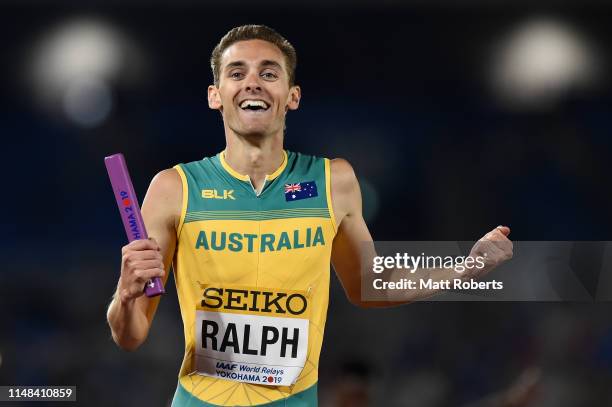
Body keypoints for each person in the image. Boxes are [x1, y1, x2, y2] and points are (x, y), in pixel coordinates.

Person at [106, 25, 513, 406]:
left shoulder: (333, 180)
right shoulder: (175, 188)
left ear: (292, 95)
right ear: (216, 94)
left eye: (268, 73)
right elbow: (130, 335)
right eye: (236, 72)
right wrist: (125, 295)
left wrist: (465, 268)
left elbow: (370, 284)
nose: (252, 82)